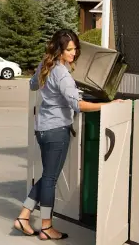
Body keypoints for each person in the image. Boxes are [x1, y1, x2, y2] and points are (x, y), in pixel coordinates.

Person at [14, 29, 123, 240]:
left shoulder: (46, 65)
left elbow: (33, 84)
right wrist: (108, 105)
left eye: (75, 49)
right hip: (56, 131)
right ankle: (46, 226)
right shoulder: (62, 73)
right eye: (70, 50)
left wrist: (56, 93)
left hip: (43, 128)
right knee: (50, 179)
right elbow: (78, 105)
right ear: (60, 50)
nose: (74, 53)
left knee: (47, 176)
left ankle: (23, 216)